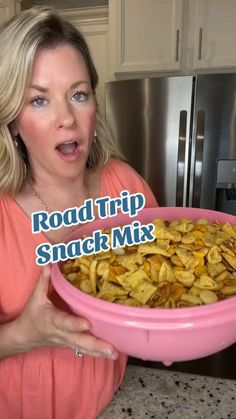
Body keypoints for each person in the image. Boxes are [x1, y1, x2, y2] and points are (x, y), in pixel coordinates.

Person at [0, 6, 158, 419]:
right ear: (12, 121)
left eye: (78, 93)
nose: (67, 118)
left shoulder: (125, 187)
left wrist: (163, 334)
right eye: (39, 100)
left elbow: (160, 292)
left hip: (110, 405)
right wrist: (23, 334)